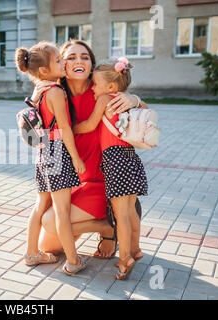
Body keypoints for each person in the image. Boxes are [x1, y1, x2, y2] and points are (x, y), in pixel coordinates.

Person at [35, 40, 148, 261]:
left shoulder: (101, 92)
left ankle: (111, 226)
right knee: (49, 244)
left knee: (51, 221)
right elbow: (41, 143)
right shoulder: (55, 96)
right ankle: (106, 225)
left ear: (91, 65)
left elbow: (144, 114)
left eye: (84, 57)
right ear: (61, 66)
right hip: (73, 182)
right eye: (70, 57)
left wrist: (134, 99)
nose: (78, 61)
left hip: (105, 183)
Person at [15, 41, 87, 276]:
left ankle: (31, 252)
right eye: (58, 60)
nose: (64, 62)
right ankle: (73, 260)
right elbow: (65, 128)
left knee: (40, 206)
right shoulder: (56, 92)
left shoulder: (39, 91)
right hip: (57, 152)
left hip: (43, 153)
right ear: (44, 70)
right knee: (61, 211)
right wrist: (75, 158)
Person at [92, 58, 148, 279]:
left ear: (111, 87)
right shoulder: (128, 101)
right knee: (131, 209)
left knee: (120, 215)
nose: (93, 88)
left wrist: (69, 127)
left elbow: (89, 125)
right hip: (131, 158)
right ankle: (136, 249)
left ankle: (125, 258)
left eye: (95, 84)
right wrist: (136, 99)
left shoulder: (106, 99)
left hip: (115, 161)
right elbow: (146, 109)